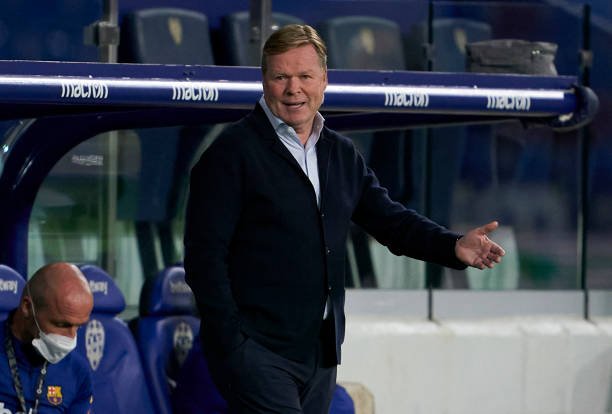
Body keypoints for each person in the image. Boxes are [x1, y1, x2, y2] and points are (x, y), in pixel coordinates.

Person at [184, 24, 505, 414]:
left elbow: (392, 222)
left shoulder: (340, 153)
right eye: (281, 77)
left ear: (324, 80)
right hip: (257, 353)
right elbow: (204, 259)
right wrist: (233, 343)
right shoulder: (230, 154)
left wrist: (452, 245)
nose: (293, 89)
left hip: (320, 353)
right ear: (264, 81)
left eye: (304, 76)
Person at [0, 262, 94, 414]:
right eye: (61, 325)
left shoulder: (77, 372)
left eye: (78, 327)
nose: (71, 338)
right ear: (27, 307)